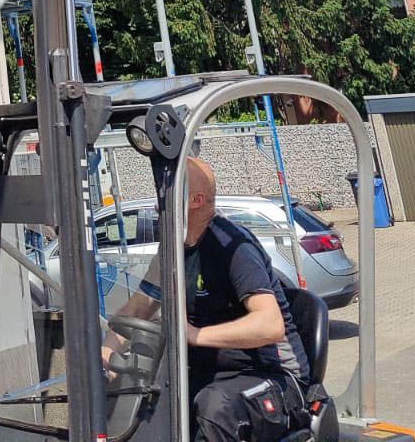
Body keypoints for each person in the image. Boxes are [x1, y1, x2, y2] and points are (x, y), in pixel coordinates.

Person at [103, 158, 309, 442]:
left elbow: (270, 325)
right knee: (137, 395)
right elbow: (139, 307)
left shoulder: (233, 247)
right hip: (210, 372)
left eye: (167, 194)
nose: (156, 204)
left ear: (196, 200)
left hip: (271, 375)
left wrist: (194, 334)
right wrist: (107, 349)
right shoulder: (173, 249)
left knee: (213, 407)